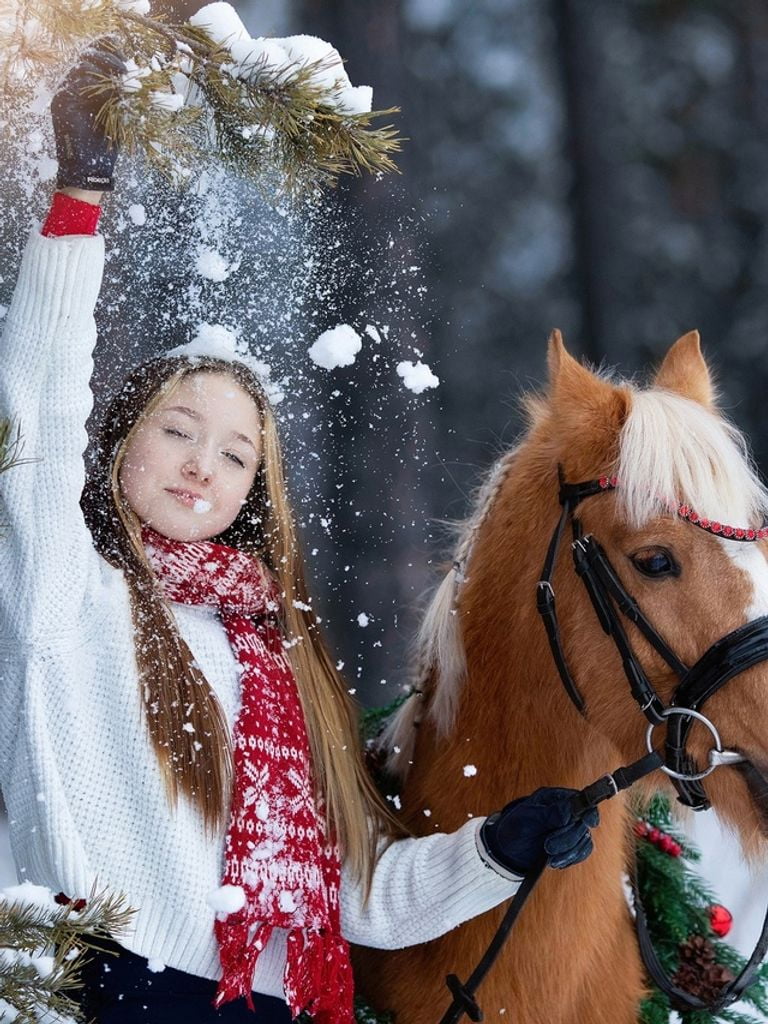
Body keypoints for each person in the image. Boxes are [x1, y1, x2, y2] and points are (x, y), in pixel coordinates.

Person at [0, 50, 599, 1024]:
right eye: (178, 430)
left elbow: (363, 895)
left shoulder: (276, 654)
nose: (204, 463)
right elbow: (38, 407)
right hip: (112, 988)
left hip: (273, 1002)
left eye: (237, 453)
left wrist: (499, 847)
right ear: (116, 449)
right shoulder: (65, 594)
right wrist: (81, 195)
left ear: (255, 491)